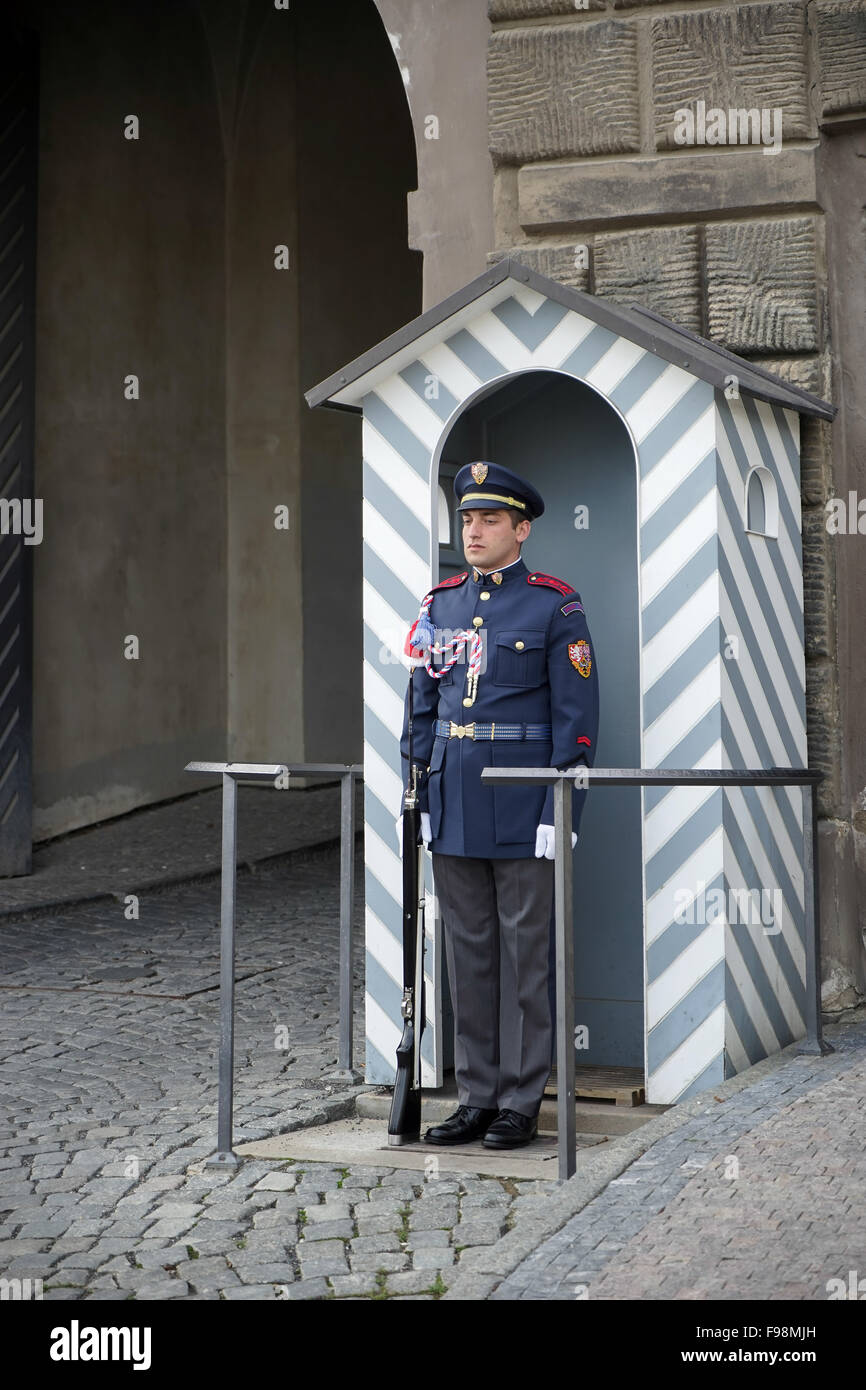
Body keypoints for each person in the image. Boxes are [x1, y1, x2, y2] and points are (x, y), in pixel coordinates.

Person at [395, 461, 600, 1149]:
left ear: (522, 527)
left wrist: (558, 811)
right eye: (466, 519)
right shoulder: (440, 605)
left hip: (522, 802)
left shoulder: (554, 605)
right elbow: (422, 703)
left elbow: (576, 718)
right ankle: (477, 1095)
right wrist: (418, 785)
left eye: (488, 519)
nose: (473, 530)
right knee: (470, 953)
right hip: (453, 797)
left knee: (526, 956)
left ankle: (521, 1098)